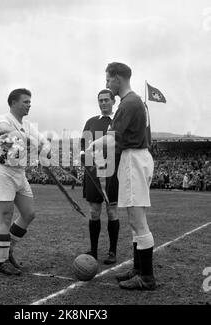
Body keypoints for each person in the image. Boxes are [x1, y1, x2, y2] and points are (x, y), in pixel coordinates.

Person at [86, 62, 156, 290]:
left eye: (108, 79)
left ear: (117, 78)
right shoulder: (133, 102)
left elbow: (112, 139)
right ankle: (138, 269)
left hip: (133, 159)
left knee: (137, 220)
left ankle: (146, 277)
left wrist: (91, 147)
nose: (106, 84)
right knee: (136, 221)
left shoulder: (128, 104)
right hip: (135, 158)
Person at [0, 88, 50, 276]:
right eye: (26, 102)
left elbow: (44, 142)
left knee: (29, 214)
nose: (29, 105)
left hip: (19, 174)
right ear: (14, 103)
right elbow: (10, 134)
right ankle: (2, 261)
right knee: (6, 216)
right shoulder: (3, 120)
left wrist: (45, 149)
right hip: (4, 173)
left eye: (30, 102)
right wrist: (33, 142)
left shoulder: (28, 124)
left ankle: (9, 249)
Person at [81, 89, 120, 265]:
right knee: (94, 211)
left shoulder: (118, 121)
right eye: (100, 100)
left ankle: (112, 251)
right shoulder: (90, 122)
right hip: (93, 173)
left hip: (113, 173)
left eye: (106, 100)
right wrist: (83, 155)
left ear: (113, 101)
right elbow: (83, 145)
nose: (103, 103)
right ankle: (94, 250)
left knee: (112, 211)